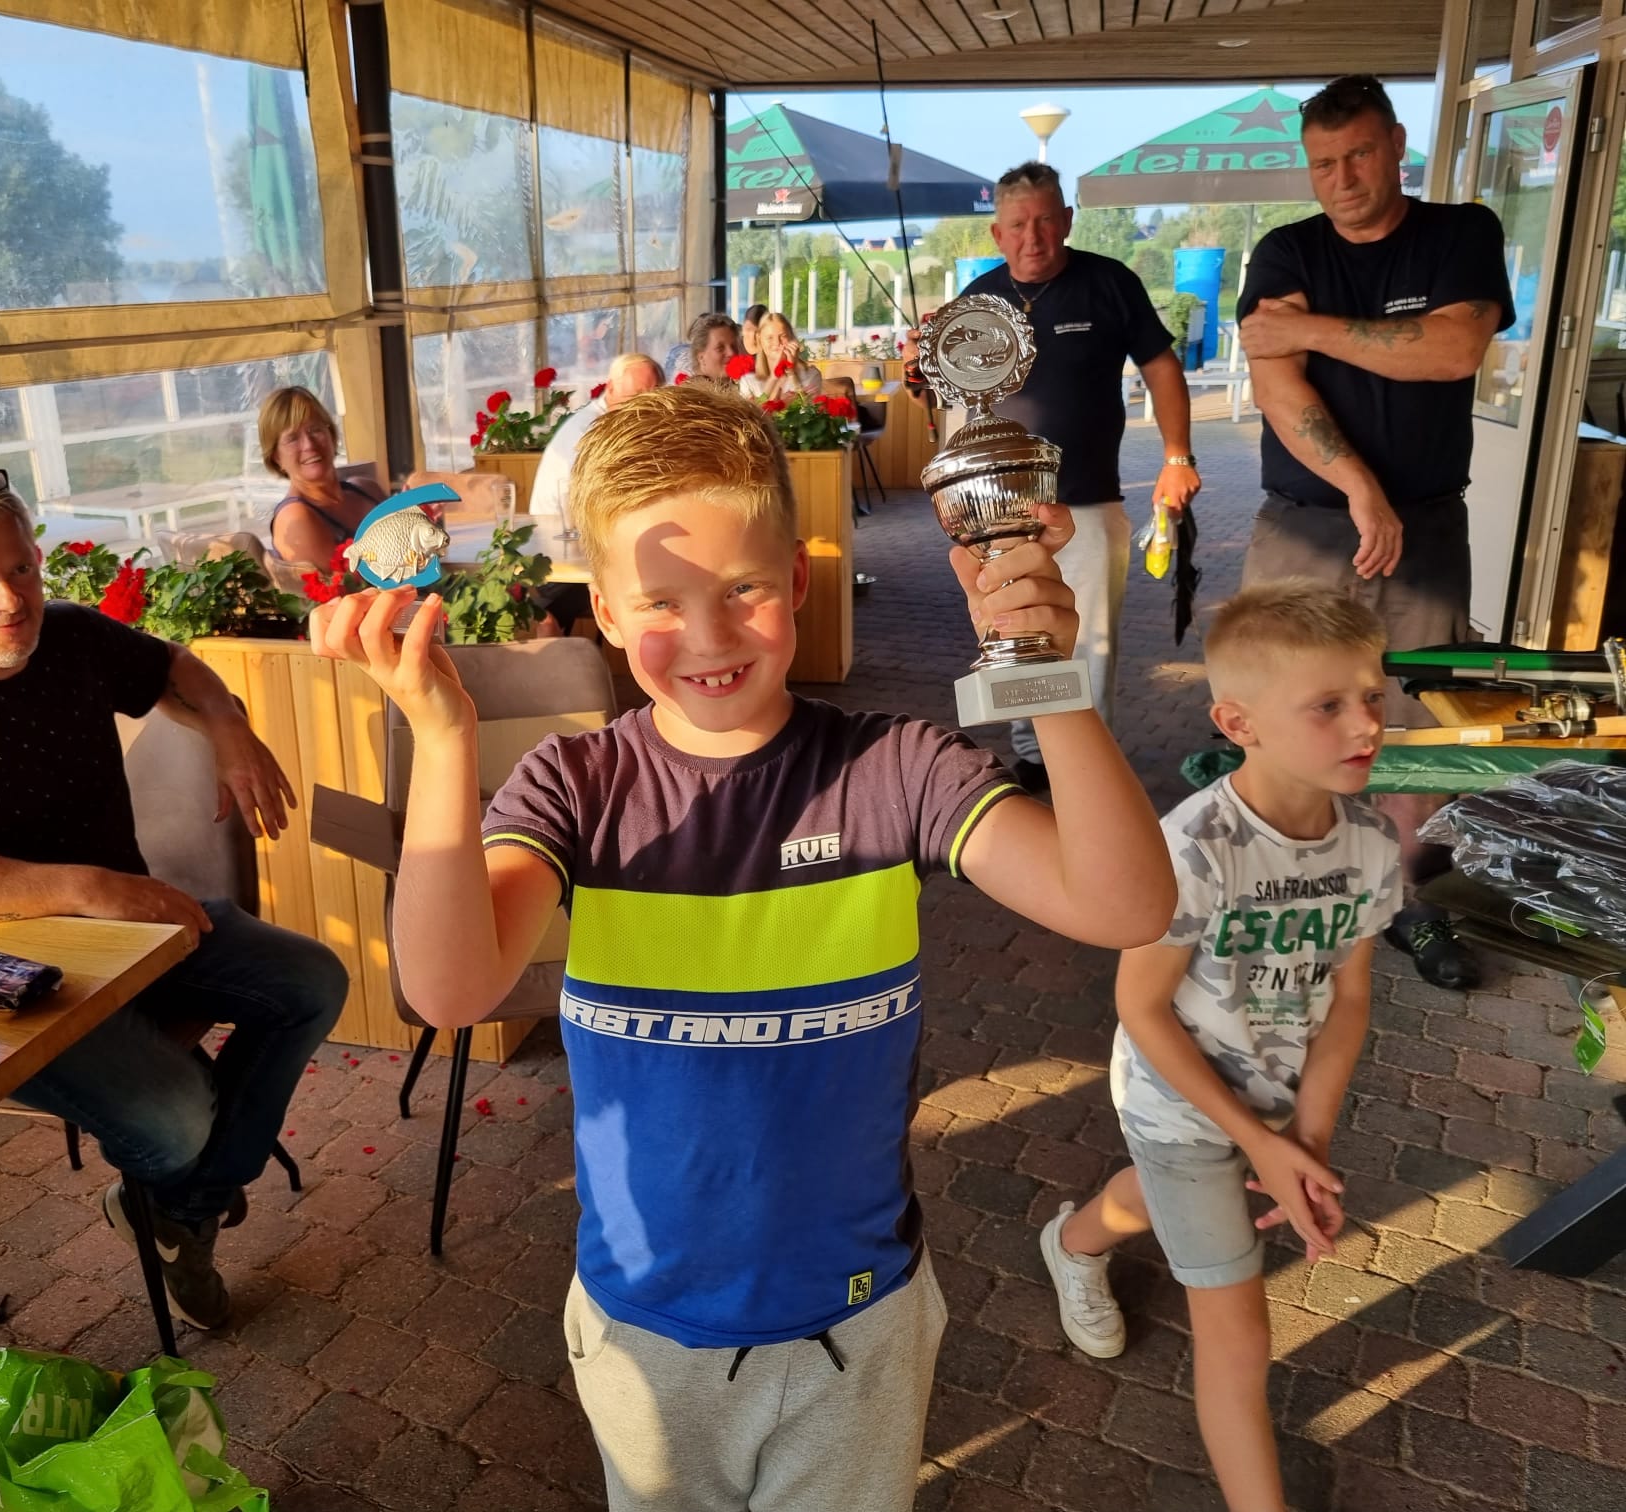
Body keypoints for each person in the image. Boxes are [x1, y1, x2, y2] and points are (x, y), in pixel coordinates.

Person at [309, 382, 1176, 1512]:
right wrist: (439, 734)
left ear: (800, 581)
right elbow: (448, 986)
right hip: (641, 1330)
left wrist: (1042, 672)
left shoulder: (894, 769)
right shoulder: (575, 786)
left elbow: (1123, 905)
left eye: (744, 590)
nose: (709, 637)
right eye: (659, 602)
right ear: (604, 613)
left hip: (858, 1323)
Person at [0, 464, 348, 1330]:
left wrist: (226, 724)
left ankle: (177, 1207)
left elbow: (173, 665)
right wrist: (86, 887)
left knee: (312, 981)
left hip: (129, 934)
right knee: (176, 1118)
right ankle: (190, 1184)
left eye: (21, 570)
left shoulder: (67, 635)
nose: (11, 600)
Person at [1039, 582, 1399, 1512]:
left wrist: (1305, 1136)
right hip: (1177, 1099)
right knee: (1238, 1333)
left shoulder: (1370, 843)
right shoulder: (1197, 847)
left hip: (1276, 1103)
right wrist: (1260, 1142)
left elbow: (1350, 996)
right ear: (1239, 723)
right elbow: (1142, 1007)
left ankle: (1072, 1242)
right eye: (1328, 705)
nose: (1367, 723)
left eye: (1373, 694)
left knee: (1161, 1198)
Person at [1235, 73, 1512, 990]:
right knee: (1280, 713)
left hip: (1426, 532)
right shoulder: (1285, 250)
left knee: (1418, 727)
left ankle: (1411, 906)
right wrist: (1360, 487)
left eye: (1358, 154)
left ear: (1396, 144)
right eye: (1323, 164)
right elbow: (1277, 386)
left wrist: (1312, 328)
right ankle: (1281, 893)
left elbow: (1453, 348)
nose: (1343, 179)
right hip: (1304, 527)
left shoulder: (1460, 234)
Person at [960, 161, 1203, 793]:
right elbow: (950, 393)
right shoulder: (977, 300)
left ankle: (1092, 764)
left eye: (1045, 221)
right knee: (1017, 628)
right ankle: (1033, 755)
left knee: (1090, 641)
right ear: (997, 234)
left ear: (1066, 220)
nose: (1033, 237)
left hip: (1088, 500)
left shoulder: (1109, 282)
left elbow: (1161, 368)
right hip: (1000, 509)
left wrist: (1177, 456)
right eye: (1018, 225)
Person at [260, 386, 506, 572]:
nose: (309, 445)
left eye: (315, 429)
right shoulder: (296, 518)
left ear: (331, 434)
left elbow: (418, 555)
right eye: (292, 438)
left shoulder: (364, 488)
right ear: (276, 457)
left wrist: (422, 520)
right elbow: (350, 592)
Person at [528, 353, 663, 519]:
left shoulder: (626, 421)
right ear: (611, 388)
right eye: (636, 397)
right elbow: (606, 493)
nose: (645, 406)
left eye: (654, 398)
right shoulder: (589, 428)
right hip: (560, 525)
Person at [738, 312, 823, 402]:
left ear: (791, 338)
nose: (777, 342)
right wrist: (774, 377)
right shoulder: (748, 381)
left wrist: (791, 373)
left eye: (783, 336)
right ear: (760, 340)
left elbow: (808, 407)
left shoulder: (811, 375)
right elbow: (754, 410)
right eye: (770, 338)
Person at [678, 310, 741, 390]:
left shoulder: (744, 387)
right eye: (720, 348)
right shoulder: (690, 395)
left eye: (734, 346)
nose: (731, 353)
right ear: (701, 358)